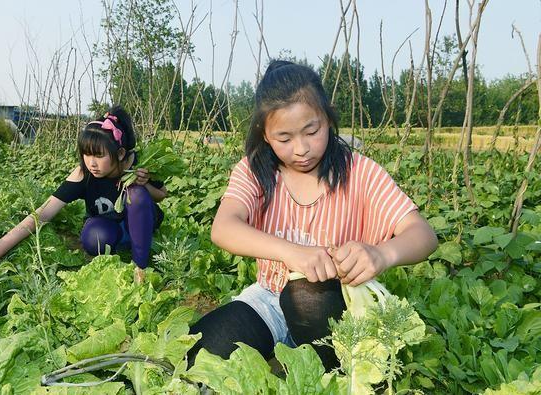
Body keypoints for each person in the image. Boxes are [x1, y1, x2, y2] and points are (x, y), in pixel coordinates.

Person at [187, 61, 438, 369]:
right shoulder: (255, 171)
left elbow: (423, 234)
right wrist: (290, 253)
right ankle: (290, 353)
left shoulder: (359, 172)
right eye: (285, 138)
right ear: (264, 135)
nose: (302, 148)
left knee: (305, 294)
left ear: (328, 120)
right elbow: (223, 228)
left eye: (312, 131)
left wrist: (382, 254)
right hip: (269, 297)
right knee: (198, 355)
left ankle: (333, 368)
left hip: (337, 304)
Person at [0, 106, 167, 283]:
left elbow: (161, 195)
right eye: (86, 154)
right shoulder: (83, 174)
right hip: (111, 227)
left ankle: (141, 267)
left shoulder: (139, 164)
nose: (91, 163)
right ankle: (128, 242)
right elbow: (43, 213)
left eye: (99, 155)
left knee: (137, 195)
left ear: (120, 154)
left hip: (140, 220)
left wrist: (144, 184)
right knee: (94, 238)